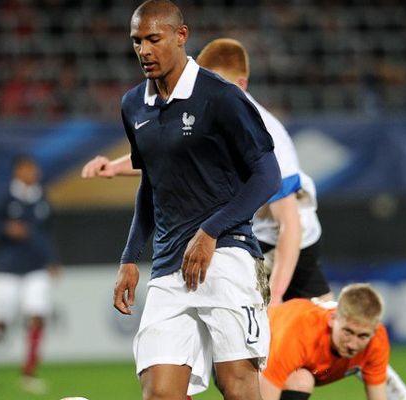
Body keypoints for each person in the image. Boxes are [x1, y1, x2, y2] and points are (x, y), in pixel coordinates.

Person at [83, 36, 406, 400]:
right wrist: (116, 167)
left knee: (328, 331)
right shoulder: (201, 108)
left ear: (238, 84)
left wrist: (273, 294)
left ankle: (389, 386)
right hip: (244, 231)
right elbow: (175, 158)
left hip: (284, 241)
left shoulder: (258, 123)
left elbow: (288, 221)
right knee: (323, 339)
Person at [83, 1, 281, 399]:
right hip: (169, 267)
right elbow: (151, 185)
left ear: (181, 35)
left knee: (238, 387)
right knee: (159, 392)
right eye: (137, 41)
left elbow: (267, 176)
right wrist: (129, 258)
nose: (144, 50)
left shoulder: (221, 97)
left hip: (227, 257)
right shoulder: (133, 105)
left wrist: (210, 232)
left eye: (154, 39)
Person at [0, 154, 59, 395]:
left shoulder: (41, 197)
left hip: (36, 268)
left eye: (34, 168)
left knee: (37, 316)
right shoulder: (6, 197)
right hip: (8, 269)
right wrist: (6, 229)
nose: (33, 173)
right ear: (17, 172)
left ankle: (28, 374)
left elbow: (45, 233)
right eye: (28, 169)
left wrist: (51, 260)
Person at [260, 283, 390, 400]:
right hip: (253, 353)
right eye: (347, 332)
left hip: (294, 367)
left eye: (362, 336)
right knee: (301, 381)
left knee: (302, 380)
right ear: (333, 319)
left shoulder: (377, 340)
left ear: (374, 331)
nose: (352, 345)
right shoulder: (301, 333)